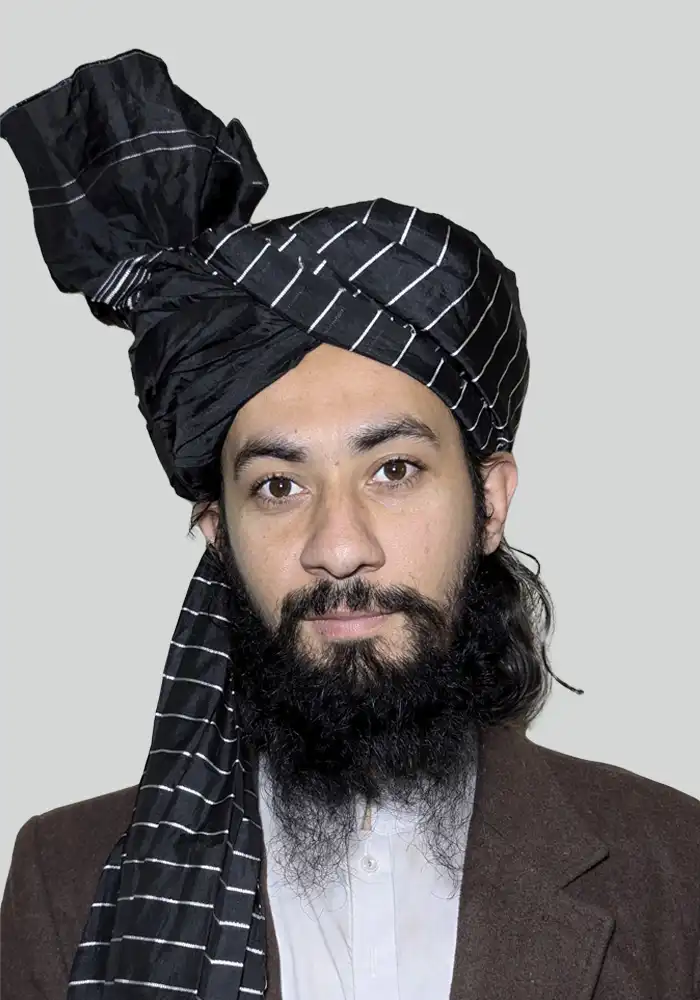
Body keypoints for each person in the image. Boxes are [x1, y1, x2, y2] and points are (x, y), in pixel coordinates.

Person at [1, 49, 698, 1000]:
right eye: (278, 486)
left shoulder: (675, 869)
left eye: (394, 471)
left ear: (490, 502)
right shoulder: (66, 881)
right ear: (217, 530)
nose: (338, 547)